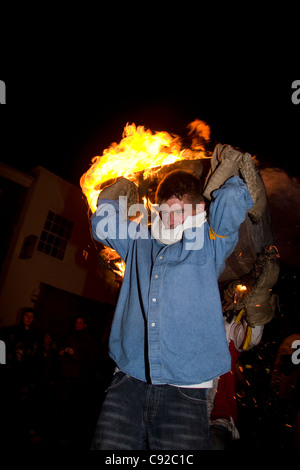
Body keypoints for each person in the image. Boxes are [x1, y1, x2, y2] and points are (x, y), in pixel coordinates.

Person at [90, 168, 254, 450]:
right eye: (163, 212)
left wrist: (231, 178)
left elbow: (229, 210)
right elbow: (101, 226)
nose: (168, 220)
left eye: (177, 211)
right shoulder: (140, 240)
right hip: (128, 381)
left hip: (185, 391)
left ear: (198, 209)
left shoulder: (209, 242)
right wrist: (115, 192)